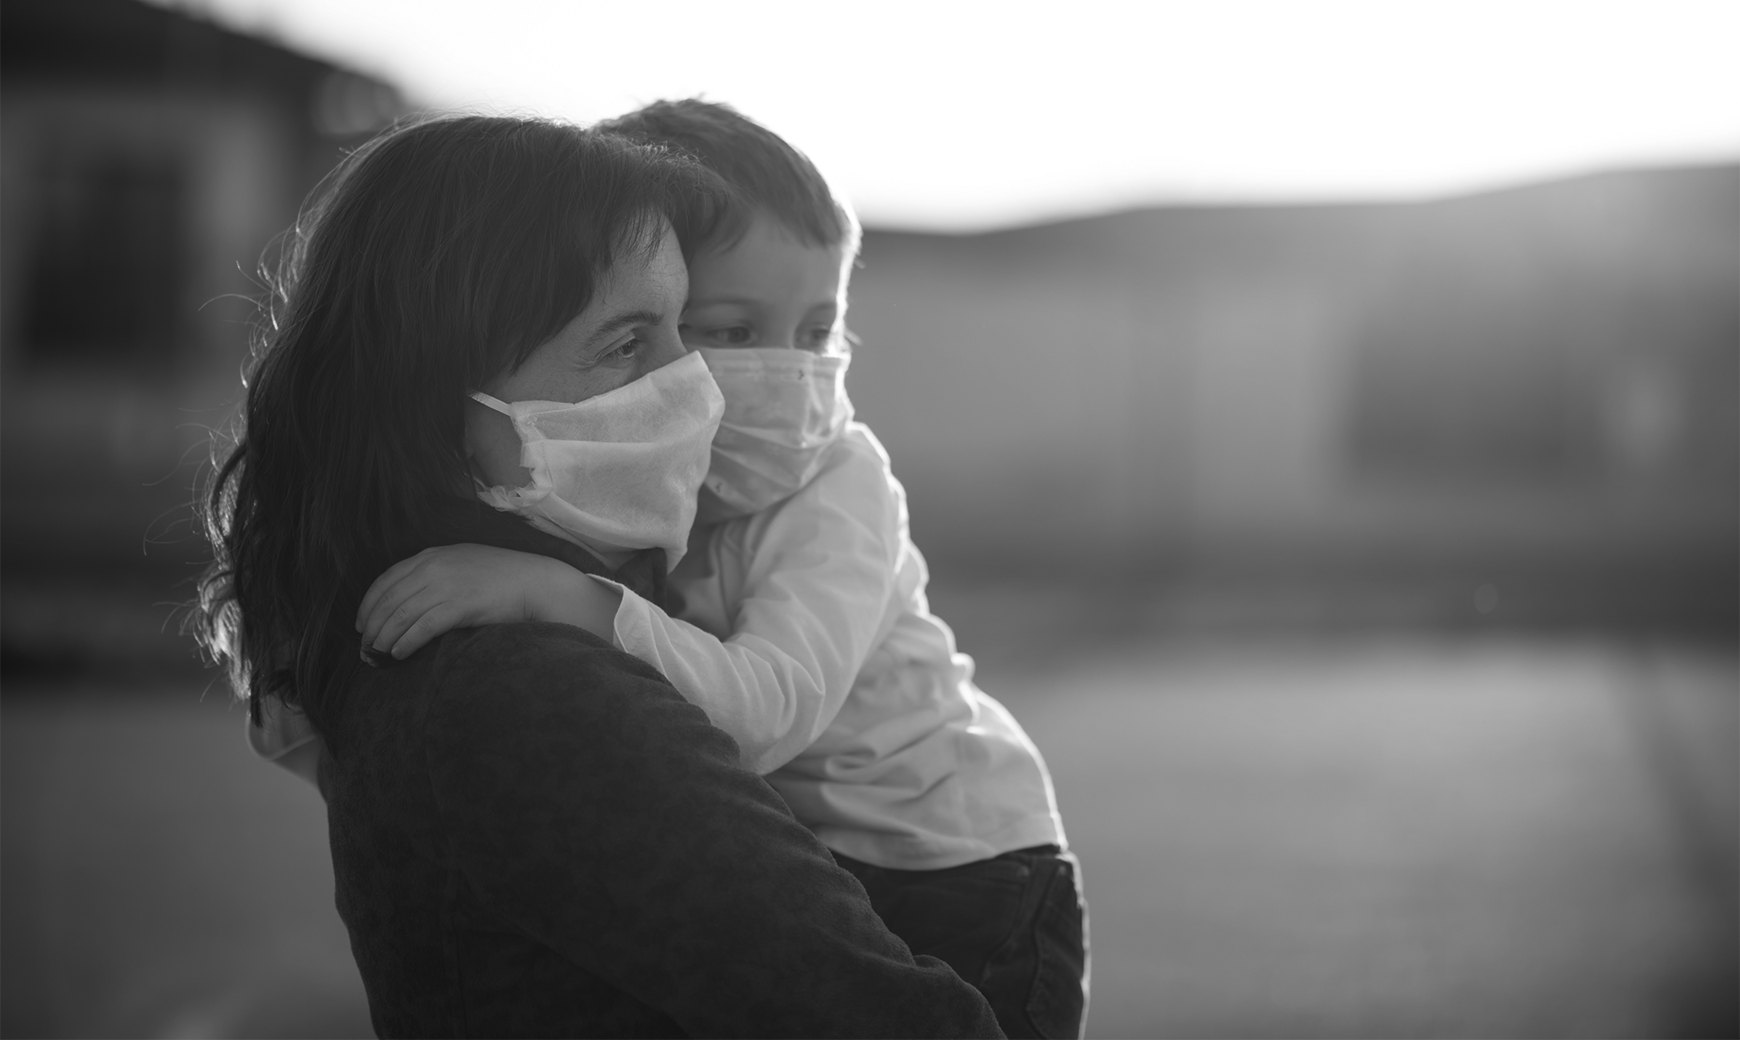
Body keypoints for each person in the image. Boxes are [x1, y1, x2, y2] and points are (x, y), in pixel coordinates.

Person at [191, 114, 1006, 1039]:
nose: (695, 381)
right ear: (431, 393)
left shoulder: (401, 633)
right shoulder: (528, 686)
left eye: (686, 329)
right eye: (631, 342)